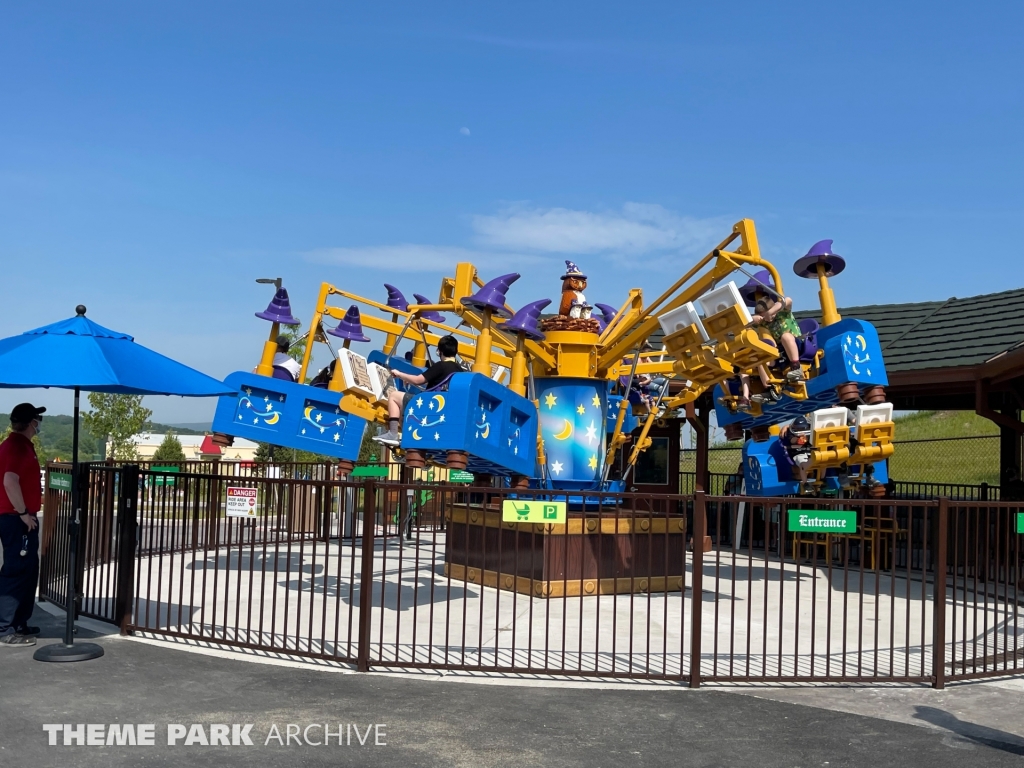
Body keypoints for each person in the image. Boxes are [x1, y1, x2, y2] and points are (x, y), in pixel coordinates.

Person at [0, 403, 46, 646]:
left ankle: (19, 623)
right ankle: (4, 628)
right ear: (31, 423)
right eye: (38, 419)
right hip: (16, 519)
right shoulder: (17, 448)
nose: (39, 423)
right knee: (17, 571)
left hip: (18, 518)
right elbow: (10, 481)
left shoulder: (18, 446)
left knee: (28, 570)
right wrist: (23, 513)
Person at [373, 335, 463, 446]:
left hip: (428, 407)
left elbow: (418, 380)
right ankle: (408, 439)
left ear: (440, 351)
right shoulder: (460, 371)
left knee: (394, 396)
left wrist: (400, 374)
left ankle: (393, 433)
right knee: (403, 409)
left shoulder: (440, 366)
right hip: (444, 410)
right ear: (456, 351)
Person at [740, 271, 805, 383]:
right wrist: (752, 319)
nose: (767, 319)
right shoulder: (764, 322)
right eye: (763, 317)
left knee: (785, 336)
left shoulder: (783, 313)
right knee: (761, 359)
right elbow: (742, 324)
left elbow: (788, 300)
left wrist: (772, 311)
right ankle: (770, 388)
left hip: (796, 344)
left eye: (767, 315)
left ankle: (796, 367)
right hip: (781, 351)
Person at [779, 415, 812, 483]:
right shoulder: (791, 433)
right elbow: (792, 440)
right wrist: (799, 439)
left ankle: (823, 479)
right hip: (798, 453)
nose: (800, 431)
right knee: (803, 464)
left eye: (802, 428)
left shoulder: (808, 432)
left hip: (809, 452)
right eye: (798, 429)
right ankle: (805, 483)